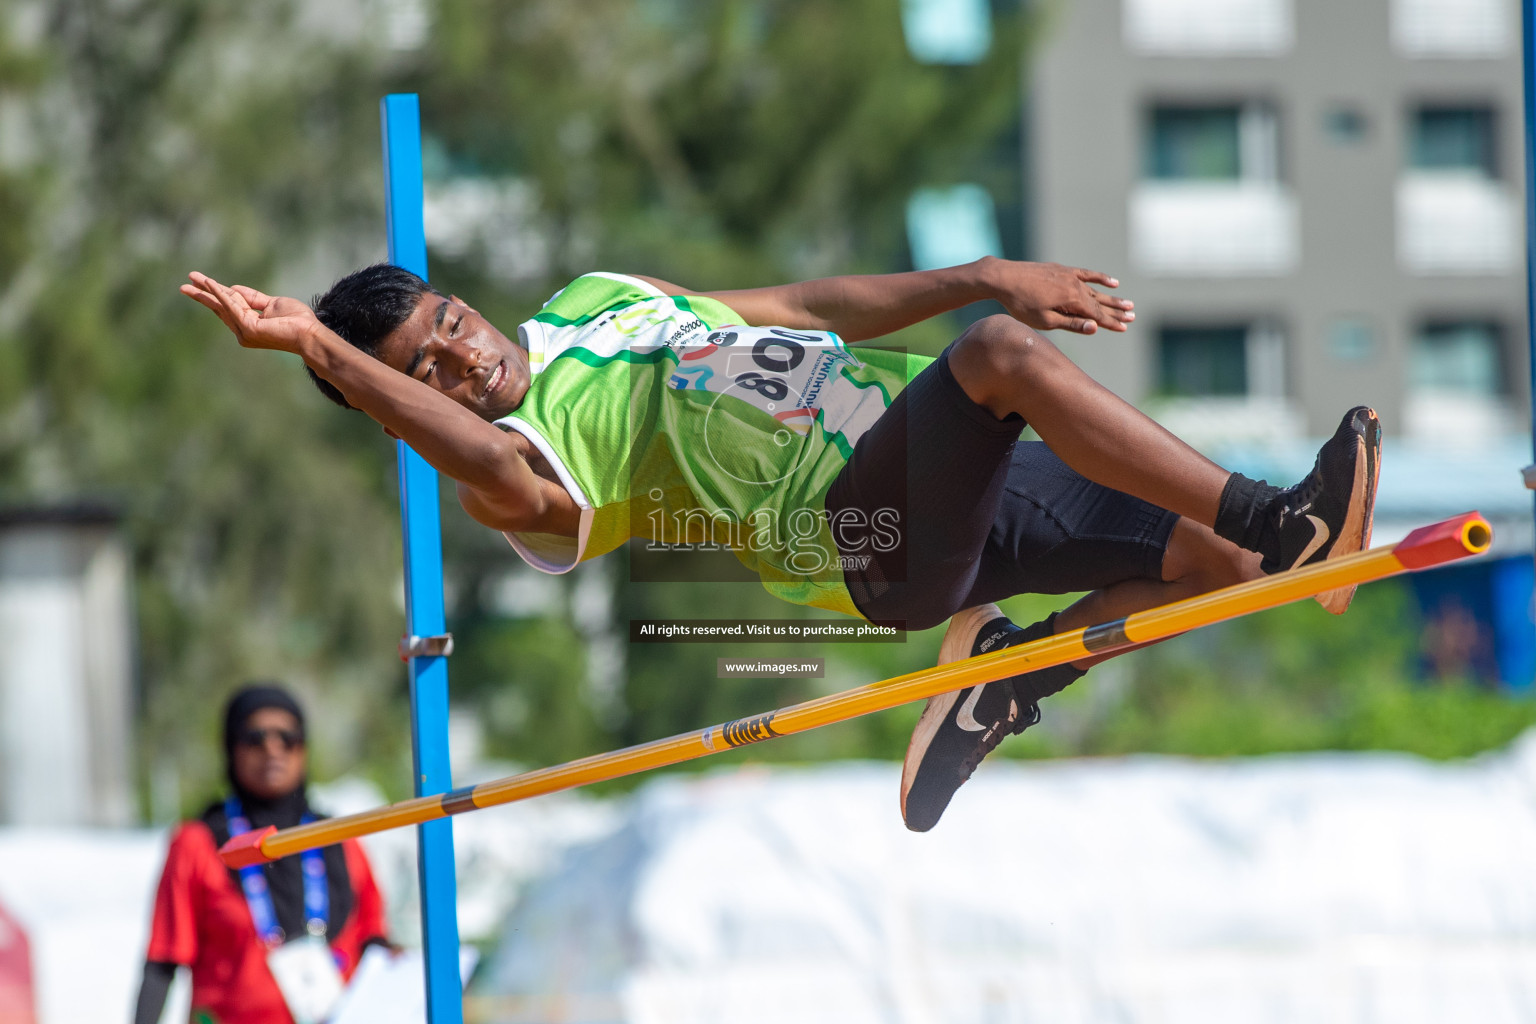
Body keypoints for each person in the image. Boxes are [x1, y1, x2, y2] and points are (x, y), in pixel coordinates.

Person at [180, 259, 1379, 830]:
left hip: (968, 470)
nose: (460, 360)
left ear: (460, 298)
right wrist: (319, 355)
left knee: (1229, 578)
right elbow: (478, 454)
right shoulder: (521, 473)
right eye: (423, 375)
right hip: (868, 540)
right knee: (1001, 358)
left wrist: (985, 270)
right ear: (407, 405)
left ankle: (1016, 677)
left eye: (447, 326)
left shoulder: (597, 302)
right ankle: (1290, 515)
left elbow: (803, 312)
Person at [134, 685, 389, 1024]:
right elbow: (163, 963)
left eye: (288, 738)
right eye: (255, 738)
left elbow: (375, 946)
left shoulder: (341, 840)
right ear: (230, 749)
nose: (272, 749)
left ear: (304, 750)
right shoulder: (197, 844)